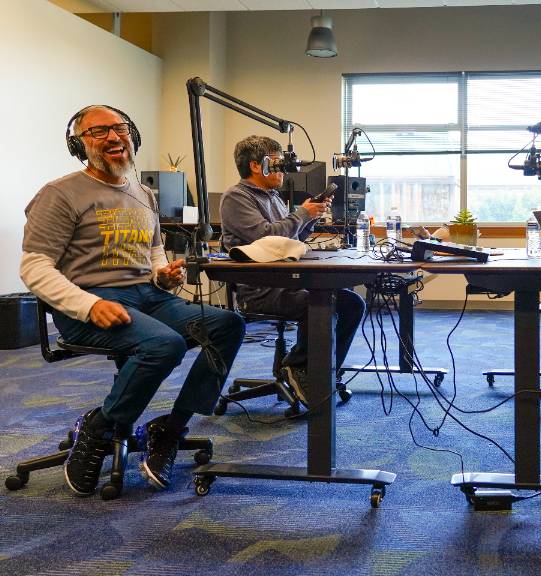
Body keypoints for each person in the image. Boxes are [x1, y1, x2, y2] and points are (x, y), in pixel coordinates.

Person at [20, 105, 246, 495]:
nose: (112, 137)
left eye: (119, 128)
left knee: (228, 324)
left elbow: (153, 250)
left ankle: (170, 429)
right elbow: (34, 267)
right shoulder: (59, 194)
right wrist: (88, 305)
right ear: (79, 145)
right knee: (165, 344)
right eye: (97, 132)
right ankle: (100, 427)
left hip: (148, 297)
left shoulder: (142, 192)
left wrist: (162, 273)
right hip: (90, 302)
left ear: (132, 136)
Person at [220, 135, 366, 407]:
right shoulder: (236, 197)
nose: (284, 170)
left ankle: (320, 372)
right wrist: (301, 214)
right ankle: (299, 367)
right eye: (276, 163)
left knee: (352, 302)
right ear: (255, 165)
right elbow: (265, 238)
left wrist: (309, 218)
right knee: (324, 302)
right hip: (263, 290)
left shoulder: (273, 198)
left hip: (288, 282)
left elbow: (291, 241)